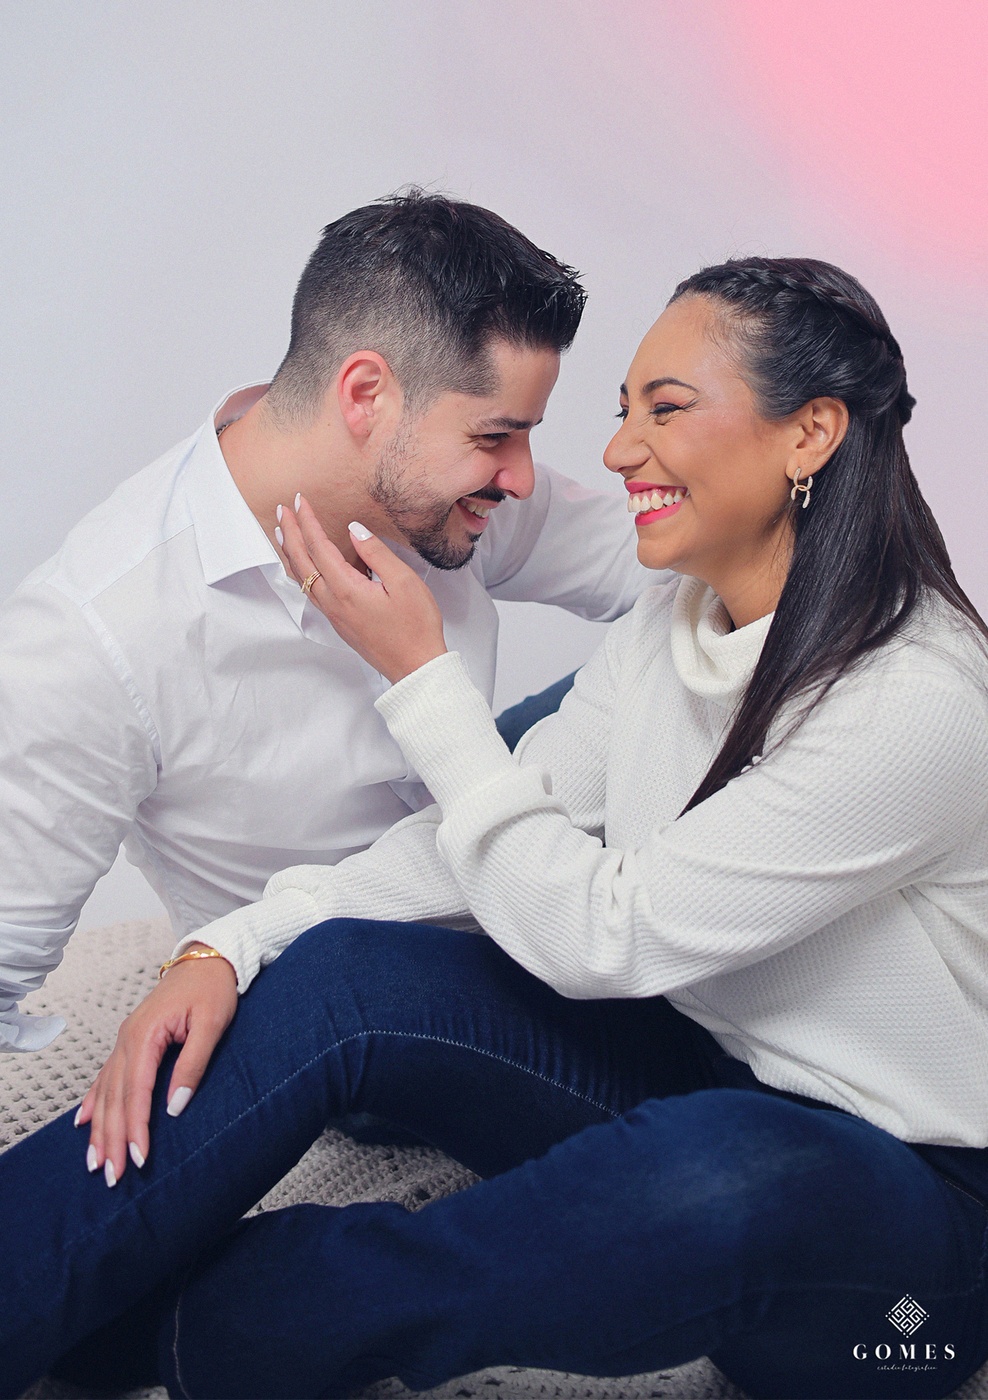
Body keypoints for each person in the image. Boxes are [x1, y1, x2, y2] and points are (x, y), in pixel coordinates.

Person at [4, 256, 988, 1400]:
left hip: (908, 1213)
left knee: (719, 1169)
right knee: (343, 971)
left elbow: (605, 937)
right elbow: (493, 830)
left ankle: (168, 1334)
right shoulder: (674, 616)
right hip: (702, 1060)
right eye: (623, 411)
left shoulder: (918, 698)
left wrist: (423, 678)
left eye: (663, 409)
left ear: (809, 432)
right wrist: (228, 942)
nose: (616, 450)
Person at [0, 190, 650, 1053]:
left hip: (501, 879)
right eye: (497, 435)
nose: (522, 477)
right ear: (366, 394)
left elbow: (673, 566)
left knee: (670, 655)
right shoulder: (97, 637)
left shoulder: (448, 492)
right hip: (340, 1000)